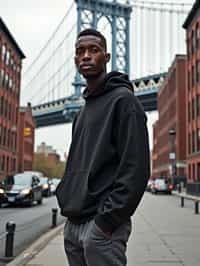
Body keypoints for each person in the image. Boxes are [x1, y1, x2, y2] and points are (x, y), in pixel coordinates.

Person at [56, 28, 150, 266]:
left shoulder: (124, 101)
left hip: (100, 228)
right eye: (80, 51)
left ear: (106, 58)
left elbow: (136, 169)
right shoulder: (81, 112)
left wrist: (105, 223)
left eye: (93, 50)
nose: (86, 56)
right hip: (74, 225)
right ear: (75, 59)